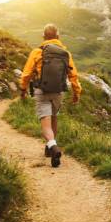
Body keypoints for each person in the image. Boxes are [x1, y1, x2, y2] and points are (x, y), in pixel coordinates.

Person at [19, 24, 82, 167]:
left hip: (42, 92)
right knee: (54, 118)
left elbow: (27, 74)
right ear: (58, 37)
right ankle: (50, 149)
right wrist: (76, 93)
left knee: (45, 125)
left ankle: (53, 147)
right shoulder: (66, 53)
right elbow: (73, 75)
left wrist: (23, 90)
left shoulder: (37, 52)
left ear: (43, 37)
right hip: (58, 92)